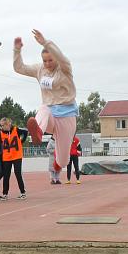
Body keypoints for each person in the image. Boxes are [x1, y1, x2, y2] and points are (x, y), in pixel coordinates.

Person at [13, 29, 77, 173]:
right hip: (50, 114)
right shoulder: (39, 69)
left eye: (50, 60)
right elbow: (19, 68)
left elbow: (61, 57)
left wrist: (45, 42)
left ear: (56, 58)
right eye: (44, 61)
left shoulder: (65, 68)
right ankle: (38, 132)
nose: (47, 63)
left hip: (66, 115)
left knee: (64, 159)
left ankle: (58, 164)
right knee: (43, 109)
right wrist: (17, 51)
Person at [0, 117, 27, 200]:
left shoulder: (16, 130)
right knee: (6, 175)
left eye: (3, 125)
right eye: (1, 125)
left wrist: (21, 141)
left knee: (18, 173)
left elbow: (25, 132)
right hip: (6, 157)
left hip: (16, 155)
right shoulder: (0, 133)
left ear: (8, 124)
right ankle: (5, 194)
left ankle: (23, 192)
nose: (2, 127)